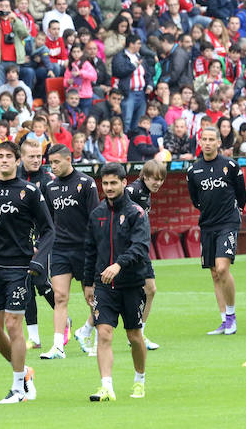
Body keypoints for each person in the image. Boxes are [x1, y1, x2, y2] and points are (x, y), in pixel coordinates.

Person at [0, 140, 55, 404]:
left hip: (20, 268)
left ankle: (18, 388)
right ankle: (25, 373)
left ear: (17, 161)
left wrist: (38, 261)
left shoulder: (29, 191)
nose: (4, 160)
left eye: (9, 156)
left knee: (13, 325)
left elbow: (48, 230)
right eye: (0, 156)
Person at [83, 162, 151, 402]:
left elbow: (140, 247)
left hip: (131, 285)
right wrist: (87, 283)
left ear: (124, 183)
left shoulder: (136, 213)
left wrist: (119, 265)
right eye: (106, 183)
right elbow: (90, 250)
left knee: (134, 336)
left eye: (114, 182)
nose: (109, 187)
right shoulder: (96, 215)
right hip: (103, 286)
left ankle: (139, 380)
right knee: (104, 334)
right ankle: (106, 387)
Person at [40, 144, 99, 360]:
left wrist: (97, 249)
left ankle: (87, 333)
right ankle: (57, 346)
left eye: (56, 162)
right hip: (60, 250)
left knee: (92, 298)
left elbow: (96, 220)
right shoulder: (50, 187)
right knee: (60, 297)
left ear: (68, 159)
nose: (52, 166)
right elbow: (46, 220)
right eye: (51, 162)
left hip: (85, 251)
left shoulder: (86, 183)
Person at [186, 127, 246, 335]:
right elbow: (196, 200)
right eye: (205, 139)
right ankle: (223, 320)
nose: (208, 143)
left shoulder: (230, 165)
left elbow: (242, 195)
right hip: (207, 225)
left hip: (228, 223)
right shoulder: (193, 171)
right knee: (214, 273)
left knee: (222, 268)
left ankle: (231, 316)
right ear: (199, 142)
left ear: (219, 143)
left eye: (212, 139)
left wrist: (235, 212)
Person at [16, 138, 56, 349]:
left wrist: (41, 241)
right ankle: (34, 337)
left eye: (38, 156)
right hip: (21, 241)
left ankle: (62, 316)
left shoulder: (49, 180)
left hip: (42, 239)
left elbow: (53, 216)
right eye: (31, 156)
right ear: (21, 157)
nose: (35, 160)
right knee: (26, 285)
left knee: (41, 282)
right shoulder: (15, 178)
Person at [122, 158, 166, 350]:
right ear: (144, 177)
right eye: (153, 178)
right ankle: (87, 330)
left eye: (161, 179)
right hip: (129, 249)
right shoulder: (133, 191)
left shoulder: (146, 192)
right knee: (116, 292)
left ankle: (138, 334)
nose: (157, 183)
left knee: (150, 289)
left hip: (138, 249)